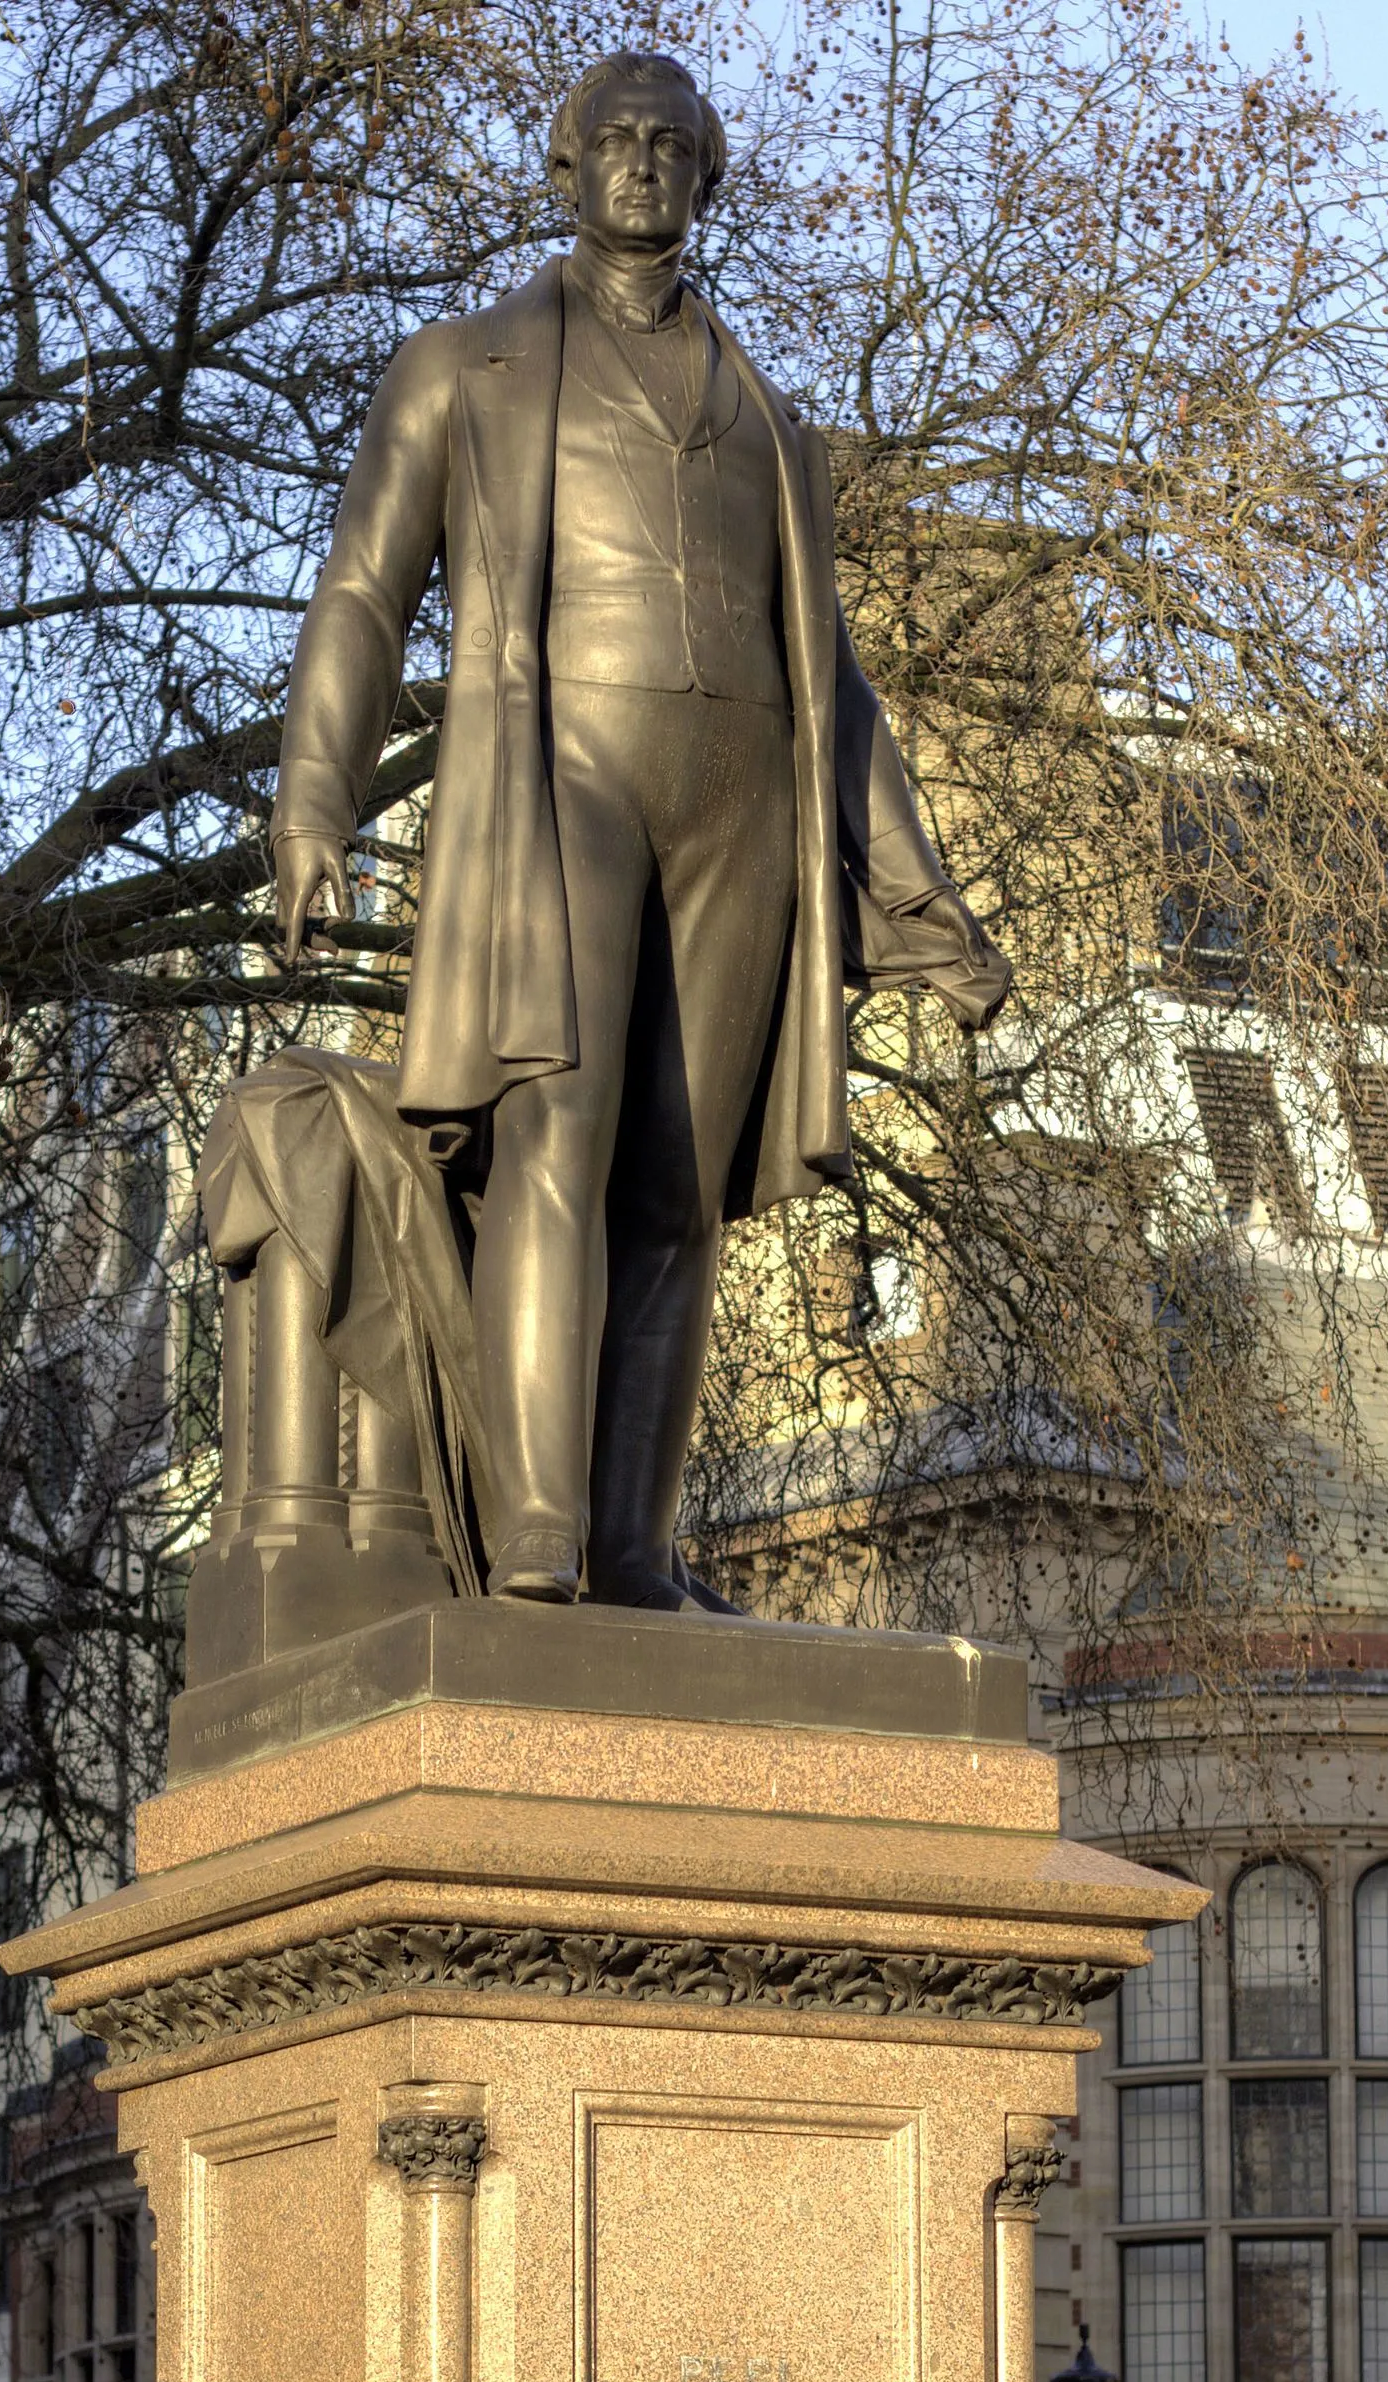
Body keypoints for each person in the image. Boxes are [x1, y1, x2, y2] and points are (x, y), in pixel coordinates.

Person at [271, 50, 1009, 1610]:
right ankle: (539, 1523)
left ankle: (630, 1543)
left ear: (706, 176)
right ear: (563, 169)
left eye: (673, 144)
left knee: (684, 1186)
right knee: (561, 1125)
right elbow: (359, 593)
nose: (643, 164)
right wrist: (315, 800)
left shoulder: (772, 427)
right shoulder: (462, 371)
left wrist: (919, 892)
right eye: (614, 139)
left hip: (744, 800)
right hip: (562, 775)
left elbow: (838, 688)